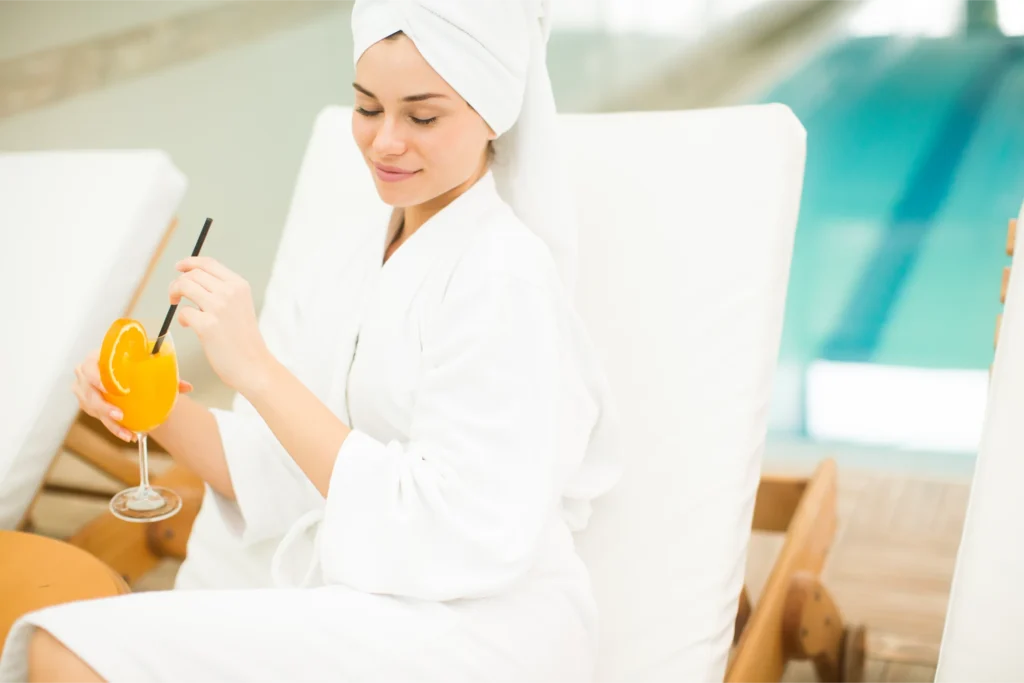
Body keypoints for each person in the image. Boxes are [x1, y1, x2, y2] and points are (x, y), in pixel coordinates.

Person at [0, 0, 620, 681]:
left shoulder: (506, 276)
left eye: (422, 116)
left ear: (492, 114)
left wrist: (257, 371)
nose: (384, 141)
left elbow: (452, 534)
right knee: (68, 645)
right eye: (366, 107)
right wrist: (149, 407)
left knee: (71, 651)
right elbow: (284, 474)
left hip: (478, 626)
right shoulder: (356, 255)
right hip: (372, 596)